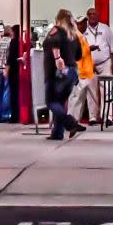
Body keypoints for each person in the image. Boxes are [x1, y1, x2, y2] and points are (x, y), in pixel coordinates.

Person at [42, 10, 87, 140]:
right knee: (60, 102)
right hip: (72, 72)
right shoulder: (74, 35)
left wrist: (57, 58)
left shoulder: (56, 30)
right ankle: (57, 133)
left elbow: (53, 42)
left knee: (50, 102)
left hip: (57, 72)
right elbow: (79, 55)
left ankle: (70, 123)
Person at [78, 9, 113, 125]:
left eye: (94, 14)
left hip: (105, 63)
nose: (92, 16)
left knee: (106, 89)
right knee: (91, 91)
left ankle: (107, 117)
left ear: (98, 16)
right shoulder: (83, 30)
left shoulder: (105, 29)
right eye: (89, 14)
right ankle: (93, 117)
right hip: (89, 64)